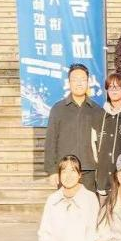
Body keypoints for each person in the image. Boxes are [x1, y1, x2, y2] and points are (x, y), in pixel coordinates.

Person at [44, 63, 101, 191]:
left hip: (89, 171)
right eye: (75, 80)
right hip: (66, 170)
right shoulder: (58, 109)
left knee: (88, 203)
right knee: (66, 203)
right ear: (69, 83)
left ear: (88, 82)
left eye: (83, 79)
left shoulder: (97, 110)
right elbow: (50, 141)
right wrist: (52, 171)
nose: (79, 83)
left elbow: (101, 143)